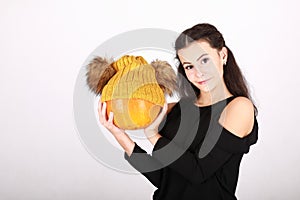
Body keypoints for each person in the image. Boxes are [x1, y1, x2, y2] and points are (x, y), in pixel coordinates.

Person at [98, 23, 258, 200]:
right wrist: (119, 134)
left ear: (223, 55)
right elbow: (164, 178)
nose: (198, 73)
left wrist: (152, 135)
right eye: (189, 66)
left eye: (204, 60)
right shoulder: (175, 109)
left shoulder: (239, 107)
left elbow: (198, 172)